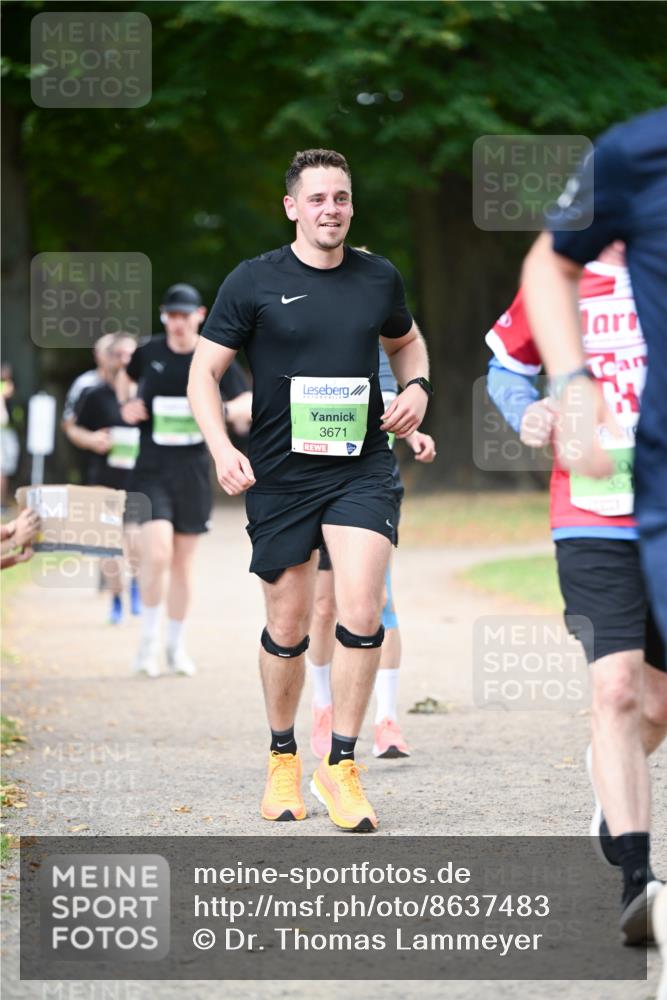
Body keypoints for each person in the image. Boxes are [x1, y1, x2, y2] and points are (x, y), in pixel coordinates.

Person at [188, 148, 431, 832]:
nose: (332, 209)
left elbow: (407, 343)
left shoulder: (377, 276)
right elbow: (204, 374)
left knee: (360, 609)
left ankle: (343, 764)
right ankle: (283, 755)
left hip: (359, 467)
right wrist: (221, 448)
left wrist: (415, 387)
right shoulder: (252, 280)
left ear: (352, 204)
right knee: (288, 625)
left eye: (342, 198)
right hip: (279, 474)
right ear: (292, 206)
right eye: (318, 198)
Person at [487, 243, 666, 944]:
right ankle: (636, 879)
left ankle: (609, 795)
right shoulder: (558, 276)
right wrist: (525, 412)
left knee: (655, 703)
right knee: (615, 690)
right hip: (590, 516)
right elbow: (506, 365)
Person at [522, 107, 667, 647]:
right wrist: (572, 388)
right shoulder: (637, 152)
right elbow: (547, 264)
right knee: (628, 689)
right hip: (649, 475)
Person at [309, 343, 436, 761]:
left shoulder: (380, 334)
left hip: (373, 483)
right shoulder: (312, 332)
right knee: (325, 605)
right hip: (316, 481)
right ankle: (323, 707)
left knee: (379, 600)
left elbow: (390, 405)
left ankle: (387, 718)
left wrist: (414, 433)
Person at [119, 283, 249, 679]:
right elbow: (125, 380)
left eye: (184, 315)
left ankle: (176, 646)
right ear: (164, 316)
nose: (177, 322)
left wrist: (219, 410)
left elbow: (245, 399)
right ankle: (147, 643)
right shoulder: (149, 353)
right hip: (151, 467)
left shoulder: (212, 354)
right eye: (171, 315)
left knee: (183, 562)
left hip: (192, 469)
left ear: (199, 314)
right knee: (157, 553)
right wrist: (128, 404)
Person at [74, 334, 142, 624]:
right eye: (119, 354)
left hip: (140, 479)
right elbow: (73, 429)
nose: (124, 360)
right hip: (103, 476)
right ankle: (116, 597)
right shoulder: (94, 394)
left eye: (131, 354)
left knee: (136, 541)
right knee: (108, 544)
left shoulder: (146, 393)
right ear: (110, 358)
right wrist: (92, 439)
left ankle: (138, 586)